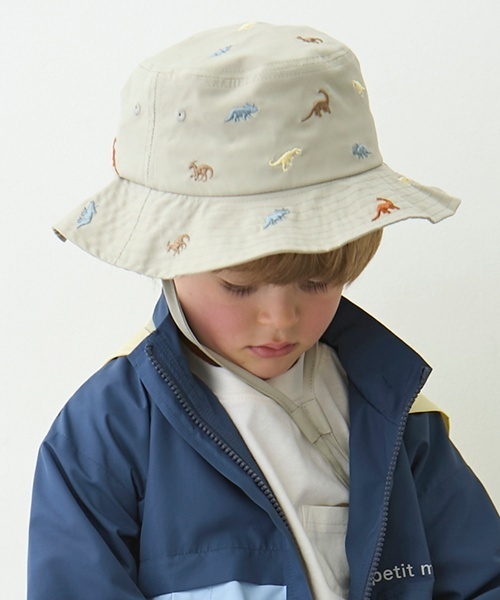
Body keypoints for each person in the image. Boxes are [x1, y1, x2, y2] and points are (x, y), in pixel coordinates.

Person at [28, 23, 500, 599]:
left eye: (318, 281)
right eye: (239, 287)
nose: (281, 319)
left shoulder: (392, 409)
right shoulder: (106, 431)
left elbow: (481, 578)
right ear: (167, 254)